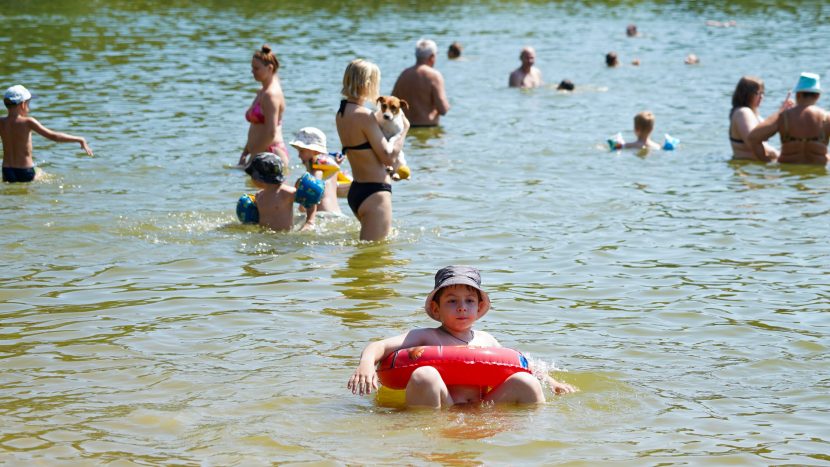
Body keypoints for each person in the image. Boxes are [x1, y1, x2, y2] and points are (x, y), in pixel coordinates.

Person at [347, 266, 577, 408]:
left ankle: (533, 438)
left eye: (469, 301)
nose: (461, 308)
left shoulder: (487, 340)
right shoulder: (427, 336)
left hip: (483, 409)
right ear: (436, 310)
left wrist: (554, 383)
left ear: (479, 308)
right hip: (445, 406)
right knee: (424, 374)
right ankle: (425, 431)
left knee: (525, 381)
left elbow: (522, 365)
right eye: (452, 301)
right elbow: (379, 345)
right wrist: (366, 365)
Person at [336, 59, 409, 241]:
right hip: (375, 194)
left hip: (357, 190)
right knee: (378, 260)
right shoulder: (365, 115)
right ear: (367, 84)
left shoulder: (341, 113)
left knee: (367, 257)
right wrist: (405, 129)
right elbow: (388, 156)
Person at [1, 85, 93, 183]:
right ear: (23, 104)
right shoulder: (28, 122)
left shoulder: (1, 122)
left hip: (7, 171)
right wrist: (79, 139)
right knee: (40, 173)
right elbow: (54, 136)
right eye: (29, 103)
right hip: (25, 171)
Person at [748, 72, 829, 165]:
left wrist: (767, 162)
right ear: (818, 95)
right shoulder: (826, 118)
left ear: (798, 94)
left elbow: (753, 138)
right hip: (818, 175)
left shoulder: (783, 117)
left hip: (788, 175)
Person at [238, 45, 288, 169]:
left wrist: (253, 156)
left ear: (270, 68)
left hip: (271, 155)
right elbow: (256, 128)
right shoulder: (262, 92)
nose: (252, 71)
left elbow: (271, 132)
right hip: (260, 154)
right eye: (252, 68)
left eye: (256, 68)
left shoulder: (271, 95)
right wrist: (245, 153)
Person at [244, 152, 315, 231]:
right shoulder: (258, 195)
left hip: (284, 237)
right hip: (265, 236)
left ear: (260, 178)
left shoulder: (286, 193)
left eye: (252, 175)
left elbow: (310, 201)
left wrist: (309, 222)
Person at [391, 39, 450, 127]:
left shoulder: (404, 74)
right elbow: (443, 110)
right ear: (432, 56)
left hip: (405, 128)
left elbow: (392, 103)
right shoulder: (434, 76)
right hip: (428, 128)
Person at [289, 127, 343, 216]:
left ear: (315, 151)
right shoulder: (330, 168)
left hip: (323, 216)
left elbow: (311, 194)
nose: (299, 155)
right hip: (337, 214)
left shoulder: (316, 172)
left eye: (301, 151)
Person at [728, 76, 779, 161]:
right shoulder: (743, 112)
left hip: (755, 167)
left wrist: (783, 113)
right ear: (746, 94)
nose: (761, 97)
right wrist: (779, 156)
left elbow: (765, 132)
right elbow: (753, 142)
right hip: (749, 169)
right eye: (758, 93)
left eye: (763, 93)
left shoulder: (753, 113)